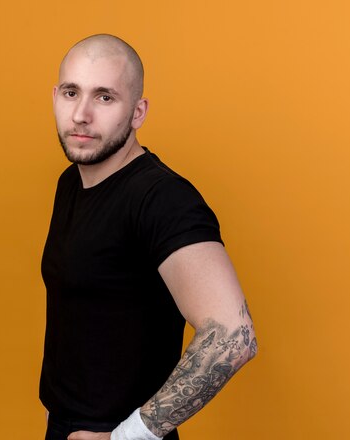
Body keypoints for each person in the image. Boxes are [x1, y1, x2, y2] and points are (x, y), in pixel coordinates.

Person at [40, 34, 257, 440]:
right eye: (71, 93)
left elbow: (233, 335)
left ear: (138, 112)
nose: (81, 114)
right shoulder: (71, 182)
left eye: (105, 97)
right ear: (55, 96)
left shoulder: (162, 198)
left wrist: (126, 436)